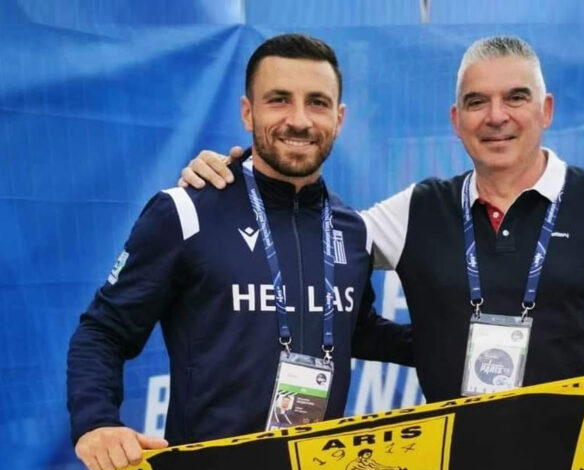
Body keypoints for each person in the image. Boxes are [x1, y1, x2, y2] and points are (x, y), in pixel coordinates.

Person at [181, 36, 584, 405]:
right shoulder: (418, 208)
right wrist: (236, 184)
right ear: (456, 120)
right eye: (476, 102)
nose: (495, 116)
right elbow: (308, 234)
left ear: (545, 110)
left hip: (576, 453)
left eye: (515, 98)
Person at [67, 34, 413, 470]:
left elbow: (356, 330)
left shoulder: (352, 230)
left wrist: (454, 342)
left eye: (317, 103)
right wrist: (96, 422)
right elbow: (103, 331)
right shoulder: (186, 210)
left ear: (339, 118)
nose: (299, 120)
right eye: (279, 100)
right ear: (248, 112)